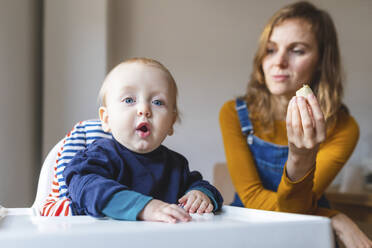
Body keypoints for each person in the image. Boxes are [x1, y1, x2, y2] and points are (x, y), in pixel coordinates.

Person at [219, 1, 371, 247]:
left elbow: (295, 210)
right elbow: (252, 198)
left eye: (297, 50)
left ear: (322, 60)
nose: (278, 62)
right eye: (270, 49)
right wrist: (333, 216)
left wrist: (301, 158)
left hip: (306, 234)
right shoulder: (233, 113)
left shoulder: (344, 127)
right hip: (248, 228)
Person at [64, 58, 223, 223]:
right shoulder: (99, 157)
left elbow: (205, 187)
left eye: (157, 102)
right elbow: (86, 188)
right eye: (129, 100)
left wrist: (200, 195)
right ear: (106, 119)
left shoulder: (175, 165)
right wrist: (145, 207)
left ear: (171, 122)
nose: (144, 110)